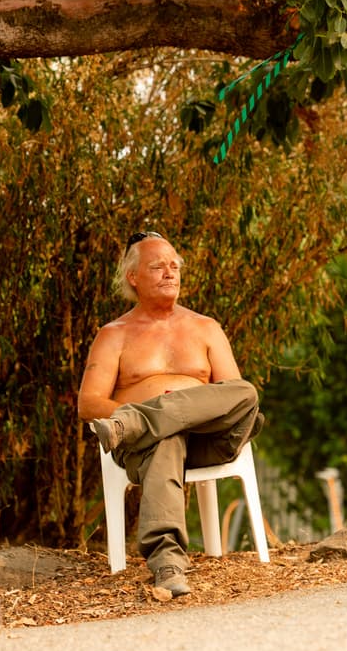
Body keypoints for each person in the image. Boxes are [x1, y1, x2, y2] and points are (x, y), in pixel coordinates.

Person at [78, 232, 264, 597]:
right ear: (133, 277)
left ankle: (141, 420)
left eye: (174, 266)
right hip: (145, 448)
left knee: (246, 391)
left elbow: (233, 399)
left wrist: (144, 415)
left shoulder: (205, 327)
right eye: (157, 266)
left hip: (208, 439)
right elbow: (88, 404)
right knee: (166, 438)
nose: (170, 273)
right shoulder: (114, 334)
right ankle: (168, 564)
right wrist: (166, 423)